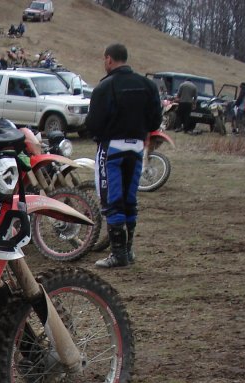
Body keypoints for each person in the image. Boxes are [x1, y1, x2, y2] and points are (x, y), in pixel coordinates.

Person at [85, 43, 162, 269]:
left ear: (109, 59)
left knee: (112, 199)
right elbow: (155, 121)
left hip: (112, 148)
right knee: (129, 199)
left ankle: (118, 254)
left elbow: (93, 123)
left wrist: (100, 134)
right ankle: (127, 250)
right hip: (136, 147)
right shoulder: (148, 85)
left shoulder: (105, 87)